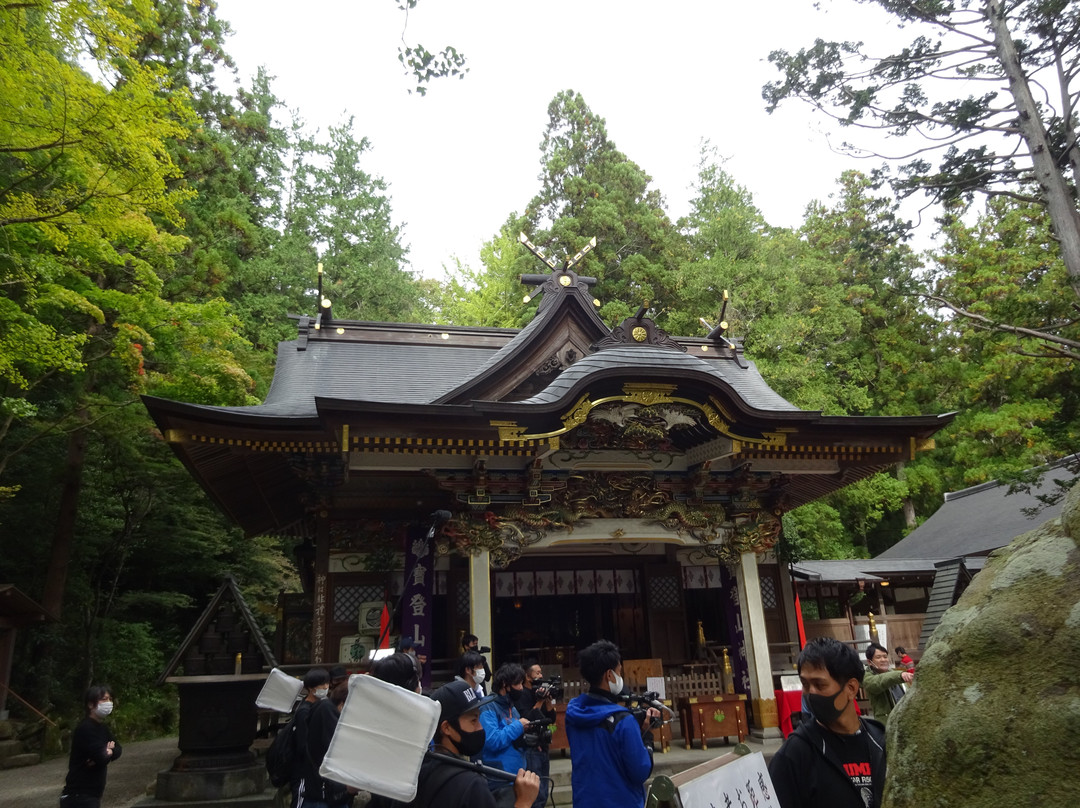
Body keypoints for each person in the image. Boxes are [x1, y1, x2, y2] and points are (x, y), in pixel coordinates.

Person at [767, 637, 887, 808]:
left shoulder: (880, 741)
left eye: (819, 684)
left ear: (851, 688)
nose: (810, 693)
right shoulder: (794, 754)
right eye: (805, 684)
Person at [412, 680, 538, 808]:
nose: (480, 727)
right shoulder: (471, 785)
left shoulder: (417, 773)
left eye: (479, 718)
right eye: (473, 721)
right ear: (447, 728)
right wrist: (523, 803)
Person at [565, 640, 659, 808]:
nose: (620, 677)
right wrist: (647, 737)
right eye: (619, 672)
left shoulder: (573, 714)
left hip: (584, 801)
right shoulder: (623, 720)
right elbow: (640, 771)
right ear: (609, 675)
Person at [60, 685, 123, 808]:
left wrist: (109, 751)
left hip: (91, 795)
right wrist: (106, 752)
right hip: (78, 796)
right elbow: (101, 757)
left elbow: (118, 749)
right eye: (104, 699)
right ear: (90, 704)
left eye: (110, 699)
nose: (108, 703)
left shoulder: (103, 728)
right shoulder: (86, 728)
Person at [478, 663, 529, 805]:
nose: (521, 688)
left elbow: (512, 738)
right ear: (505, 684)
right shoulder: (487, 705)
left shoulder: (512, 708)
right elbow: (491, 740)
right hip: (499, 780)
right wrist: (518, 726)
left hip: (517, 777)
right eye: (518, 683)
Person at [301, 680, 353, 808]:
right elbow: (336, 750)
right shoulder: (327, 712)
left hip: (324, 790)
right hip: (322, 794)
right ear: (343, 703)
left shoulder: (324, 708)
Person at [514, 660, 556, 808]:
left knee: (544, 788)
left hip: (543, 744)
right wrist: (539, 701)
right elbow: (527, 720)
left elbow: (551, 719)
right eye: (537, 673)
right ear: (527, 676)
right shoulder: (522, 695)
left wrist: (548, 701)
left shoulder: (540, 692)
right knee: (536, 791)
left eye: (541, 672)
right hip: (531, 746)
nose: (541, 675)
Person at [291, 668, 331, 808]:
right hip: (305, 768)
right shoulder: (304, 711)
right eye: (321, 684)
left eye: (327, 683)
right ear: (310, 688)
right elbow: (302, 743)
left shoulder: (321, 705)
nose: (325, 687)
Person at [863, 642, 913, 722]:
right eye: (878, 657)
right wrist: (900, 675)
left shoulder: (895, 673)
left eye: (885, 657)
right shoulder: (868, 677)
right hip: (887, 723)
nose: (883, 660)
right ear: (869, 662)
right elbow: (878, 682)